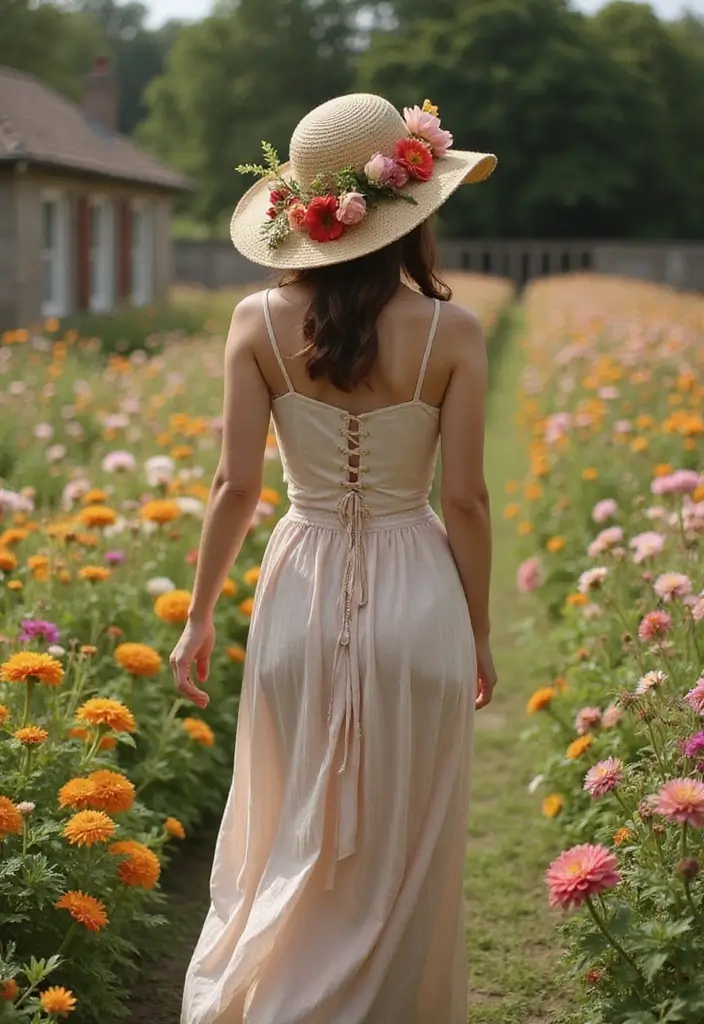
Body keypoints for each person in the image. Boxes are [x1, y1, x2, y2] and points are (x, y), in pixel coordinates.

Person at [173, 93, 498, 1024]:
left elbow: (235, 486)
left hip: (298, 593)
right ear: (412, 212)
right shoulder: (453, 332)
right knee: (406, 844)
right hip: (419, 599)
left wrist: (199, 616)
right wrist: (478, 631)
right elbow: (466, 501)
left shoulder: (254, 322)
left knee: (289, 827)